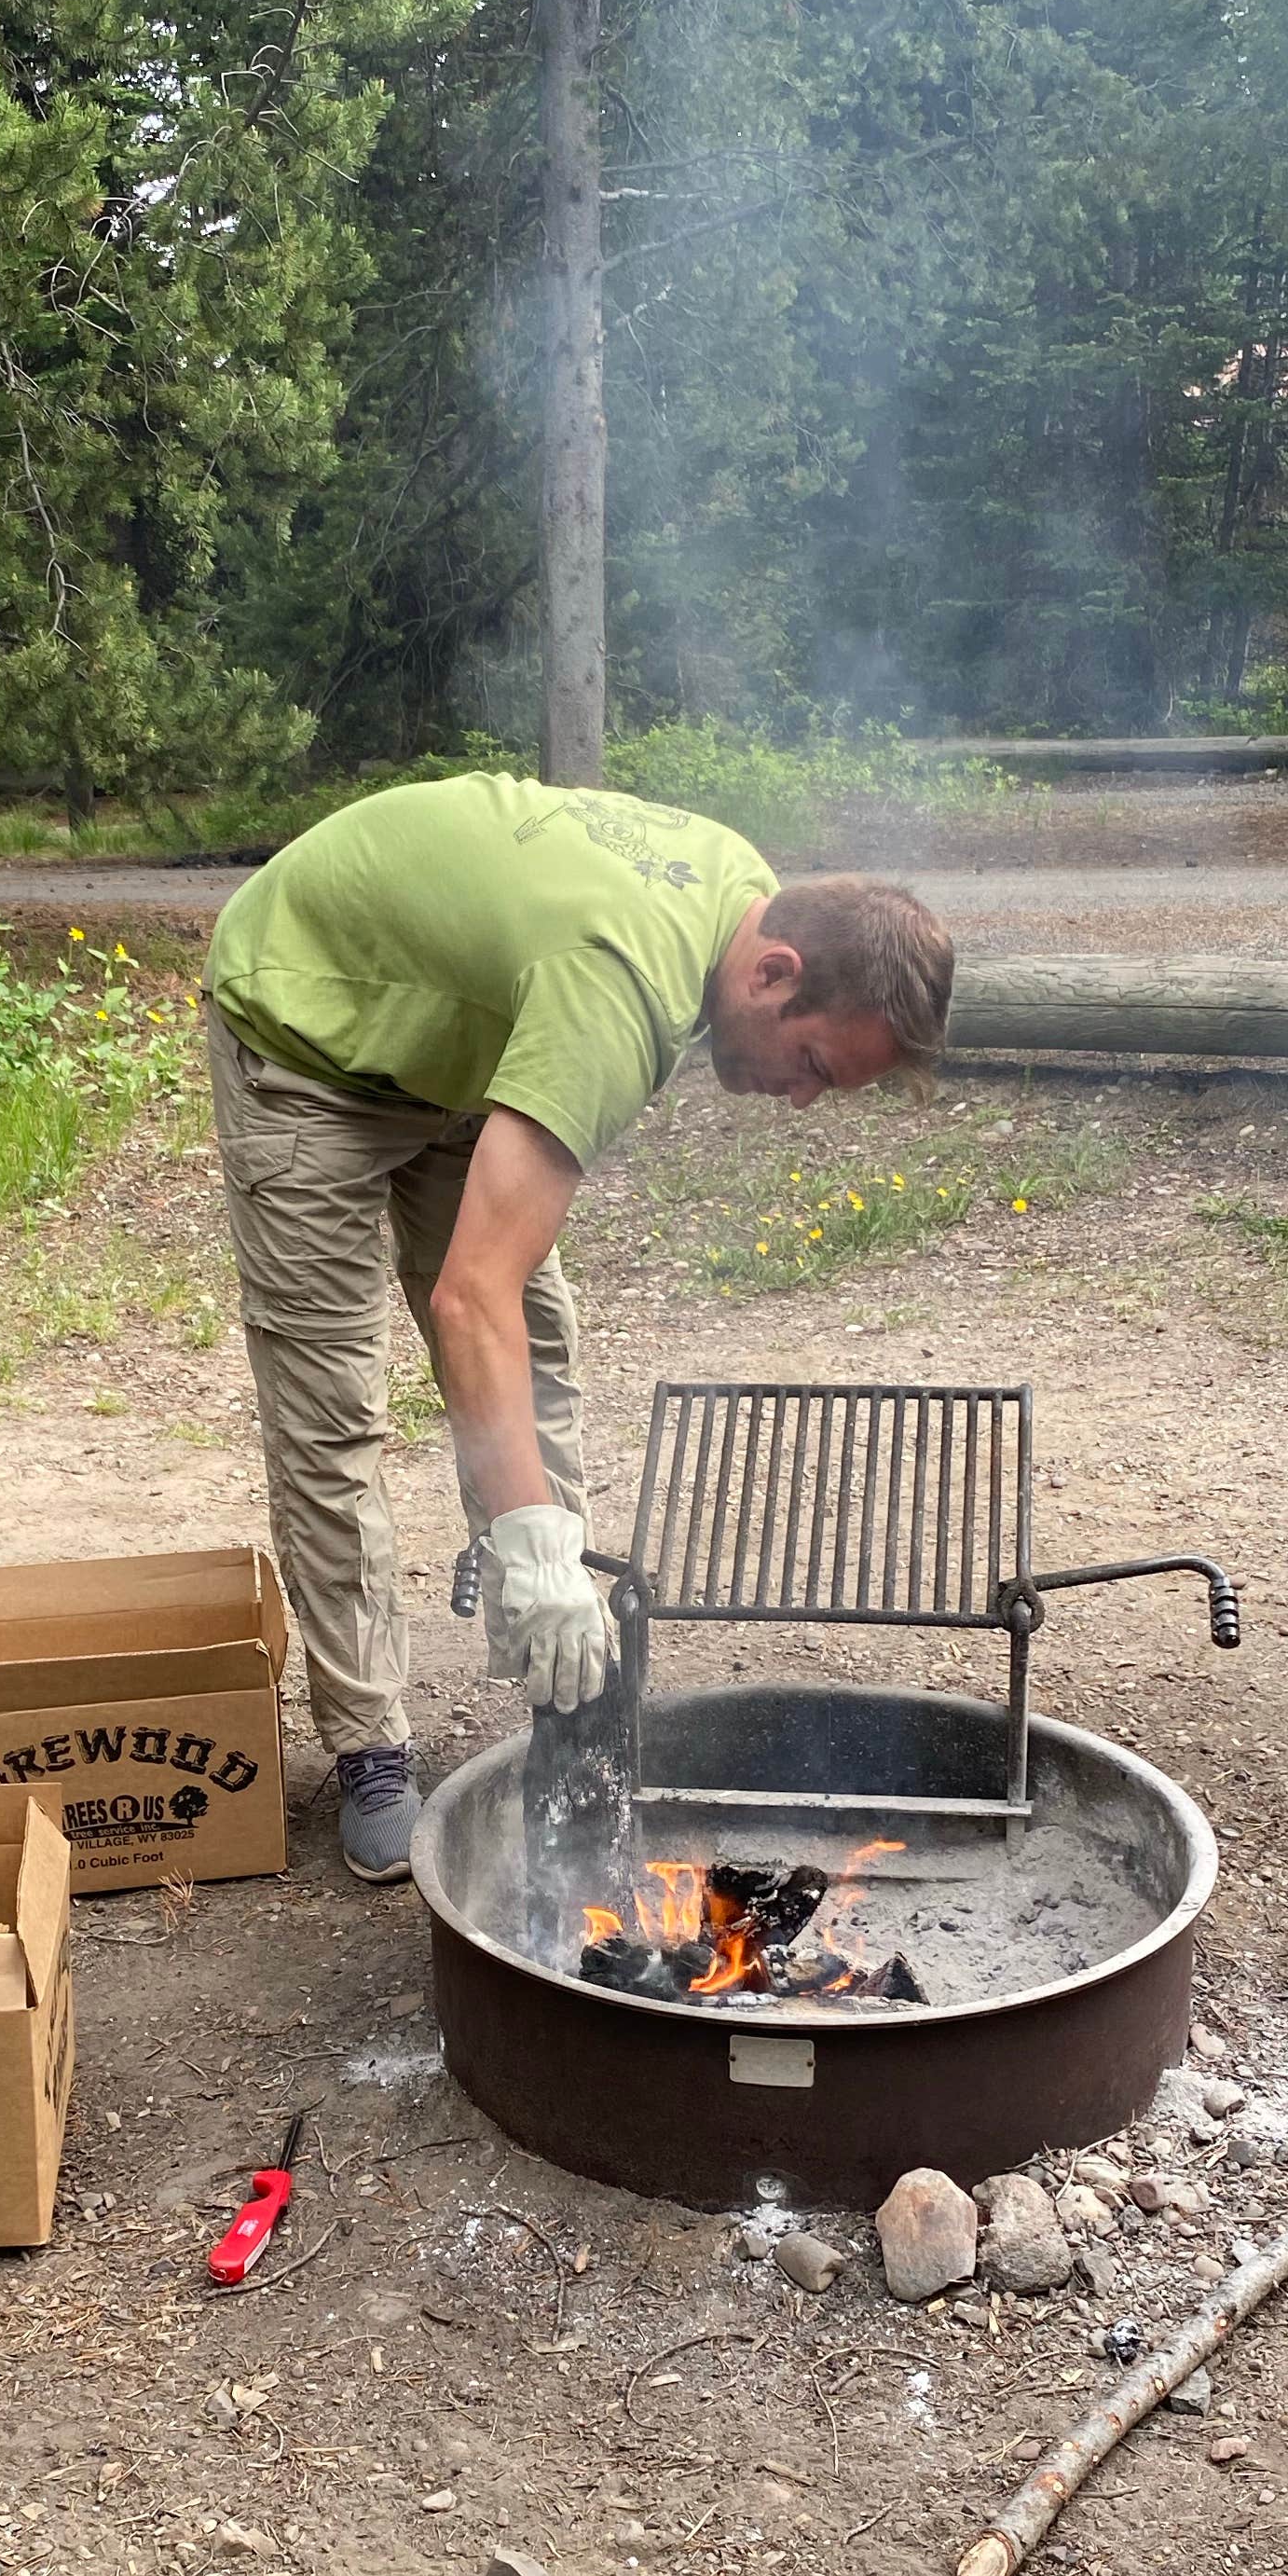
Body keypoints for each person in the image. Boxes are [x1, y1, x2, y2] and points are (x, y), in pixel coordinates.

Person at [202, 770, 954, 1880]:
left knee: (536, 1350)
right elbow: (467, 1298)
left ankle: (567, 1688)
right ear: (774, 972)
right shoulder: (621, 987)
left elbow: (500, 1313)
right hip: (310, 1029)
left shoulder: (745, 893)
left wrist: (534, 1543)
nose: (800, 1100)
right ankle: (370, 1743)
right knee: (334, 1410)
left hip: (462, 1040)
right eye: (812, 1065)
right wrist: (532, 1546)